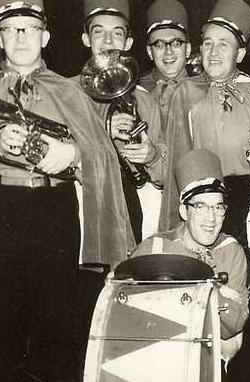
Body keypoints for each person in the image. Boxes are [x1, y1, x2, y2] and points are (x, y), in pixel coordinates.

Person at [0, 0, 134, 382]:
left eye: (31, 28)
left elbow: (102, 157)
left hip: (54, 209)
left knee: (55, 323)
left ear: (46, 37)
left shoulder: (71, 91)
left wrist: (71, 156)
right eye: (12, 29)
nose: (21, 36)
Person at [130, 148, 249, 382]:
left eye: (218, 207)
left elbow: (234, 323)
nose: (211, 218)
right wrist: (215, 293)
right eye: (201, 206)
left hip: (207, 368)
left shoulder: (231, 251)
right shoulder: (155, 248)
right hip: (153, 364)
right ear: (184, 211)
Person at [160, 0, 250, 241]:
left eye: (223, 45)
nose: (213, 53)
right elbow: (176, 158)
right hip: (204, 200)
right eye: (208, 43)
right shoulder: (185, 93)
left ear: (240, 54)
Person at [80, 0, 166, 242]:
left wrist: (152, 156)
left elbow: (164, 171)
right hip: (80, 199)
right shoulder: (66, 91)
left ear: (128, 43)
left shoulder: (144, 99)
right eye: (99, 32)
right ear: (86, 39)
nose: (108, 41)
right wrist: (102, 130)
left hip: (130, 201)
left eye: (117, 33)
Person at [139, 0, 191, 130]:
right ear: (150, 52)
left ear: (188, 49)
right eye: (159, 45)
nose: (168, 52)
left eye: (176, 43)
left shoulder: (205, 90)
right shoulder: (137, 94)